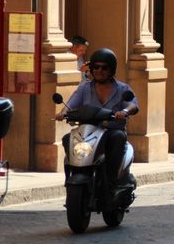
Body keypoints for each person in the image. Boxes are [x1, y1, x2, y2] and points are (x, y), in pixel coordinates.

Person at [55, 48, 139, 189]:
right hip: (88, 131)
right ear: (92, 69)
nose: (100, 70)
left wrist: (124, 111)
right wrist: (63, 113)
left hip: (111, 130)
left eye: (104, 68)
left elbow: (133, 105)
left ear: (111, 70)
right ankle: (74, 171)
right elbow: (70, 104)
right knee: (67, 139)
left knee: (117, 138)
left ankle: (114, 178)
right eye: (96, 67)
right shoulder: (84, 88)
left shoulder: (122, 88)